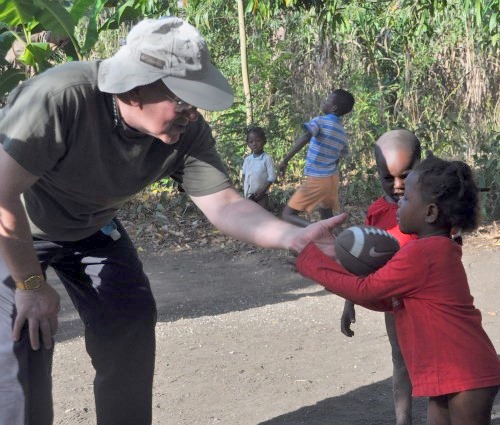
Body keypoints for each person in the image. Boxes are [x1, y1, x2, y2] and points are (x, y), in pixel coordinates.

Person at [0, 17, 344, 425]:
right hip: (17, 228)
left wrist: (295, 237)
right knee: (23, 345)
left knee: (129, 326)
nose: (192, 114)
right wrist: (31, 285)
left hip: (93, 228)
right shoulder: (61, 97)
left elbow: (225, 204)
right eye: (182, 100)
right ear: (134, 88)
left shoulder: (186, 133)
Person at [297, 155, 500, 424]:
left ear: (430, 212)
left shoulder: (424, 252)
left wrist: (311, 262)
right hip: (450, 368)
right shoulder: (436, 248)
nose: (398, 205)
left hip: (465, 371)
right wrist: (327, 260)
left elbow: (367, 290)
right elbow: (390, 300)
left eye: (406, 199)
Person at [340, 129, 421, 425]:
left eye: (406, 176)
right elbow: (359, 261)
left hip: (431, 301)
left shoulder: (432, 207)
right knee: (400, 360)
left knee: (438, 359)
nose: (397, 185)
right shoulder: (376, 212)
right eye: (388, 178)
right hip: (395, 303)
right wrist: (350, 303)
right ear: (377, 173)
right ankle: (404, 420)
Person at [278, 89, 354, 227]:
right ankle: (342, 244)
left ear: (334, 108)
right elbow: (339, 157)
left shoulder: (320, 121)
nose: (323, 102)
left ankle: (317, 231)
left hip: (319, 179)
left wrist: (285, 159)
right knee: (327, 218)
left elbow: (306, 136)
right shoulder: (342, 133)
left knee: (287, 215)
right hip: (332, 180)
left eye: (327, 100)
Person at [241, 126, 276, 210]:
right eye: (251, 141)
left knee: (262, 215)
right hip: (249, 195)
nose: (254, 144)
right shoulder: (247, 160)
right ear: (248, 143)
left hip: (262, 196)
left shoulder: (266, 159)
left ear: (264, 142)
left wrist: (263, 190)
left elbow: (271, 177)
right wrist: (245, 187)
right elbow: (244, 175)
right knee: (250, 215)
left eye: (258, 141)